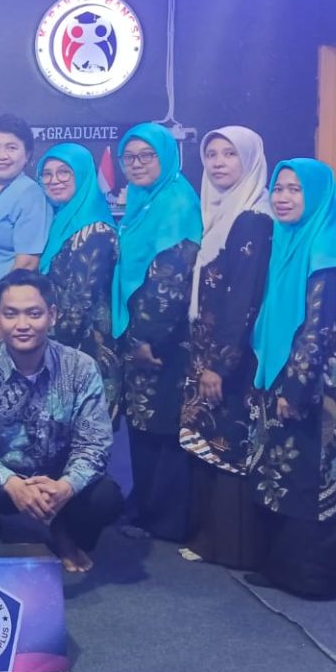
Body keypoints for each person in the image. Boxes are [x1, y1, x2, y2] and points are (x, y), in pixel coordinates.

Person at [248, 160, 336, 599]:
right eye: (279, 188)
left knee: (318, 474)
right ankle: (286, 567)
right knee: (290, 469)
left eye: (295, 190)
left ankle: (314, 576)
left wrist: (295, 387)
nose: (283, 198)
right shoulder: (289, 242)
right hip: (290, 375)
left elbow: (317, 329)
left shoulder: (325, 252)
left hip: (322, 386)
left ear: (318, 197)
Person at [0, 271, 122, 573]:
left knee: (106, 498)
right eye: (11, 314)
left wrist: (66, 486)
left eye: (34, 313)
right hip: (0, 478)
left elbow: (95, 444)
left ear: (52, 316)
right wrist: (12, 484)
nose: (22, 324)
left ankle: (65, 533)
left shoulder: (80, 367)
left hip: (57, 479)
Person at [179, 127, 274, 569]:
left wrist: (219, 364)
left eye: (229, 155)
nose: (218, 163)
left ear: (250, 161)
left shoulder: (252, 218)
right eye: (212, 154)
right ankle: (213, 540)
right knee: (211, 441)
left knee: (229, 443)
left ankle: (232, 546)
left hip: (231, 357)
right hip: (209, 349)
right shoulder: (219, 211)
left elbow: (243, 301)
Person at [113, 122, 202, 542]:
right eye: (129, 157)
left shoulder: (176, 202)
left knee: (164, 427)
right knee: (145, 425)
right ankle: (146, 504)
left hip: (163, 340)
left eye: (146, 156)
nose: (137, 164)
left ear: (165, 157)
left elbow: (171, 279)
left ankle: (166, 518)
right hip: (140, 331)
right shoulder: (143, 200)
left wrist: (145, 338)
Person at [37, 143, 121, 419]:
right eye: (47, 173)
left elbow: (79, 304)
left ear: (83, 175)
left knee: (84, 435)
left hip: (83, 351)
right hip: (59, 348)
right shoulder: (61, 221)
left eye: (64, 172)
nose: (54, 180)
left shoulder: (95, 230)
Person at [0, 114, 51, 331]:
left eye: (12, 148)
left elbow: (27, 264)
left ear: (27, 154)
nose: (2, 155)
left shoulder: (31, 195)